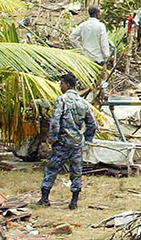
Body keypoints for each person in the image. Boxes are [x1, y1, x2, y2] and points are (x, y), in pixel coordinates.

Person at [38, 74, 97, 209]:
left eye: (61, 84)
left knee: (52, 169)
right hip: (76, 143)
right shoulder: (82, 102)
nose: (60, 86)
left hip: (62, 142)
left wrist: (52, 139)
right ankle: (74, 201)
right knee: (76, 172)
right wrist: (87, 139)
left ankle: (44, 199)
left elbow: (55, 121)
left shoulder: (62, 100)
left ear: (67, 85)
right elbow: (92, 124)